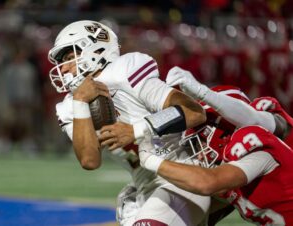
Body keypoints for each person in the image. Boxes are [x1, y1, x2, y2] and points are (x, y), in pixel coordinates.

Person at [48, 20, 210, 226]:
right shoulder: (70, 105)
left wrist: (136, 130)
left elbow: (194, 112)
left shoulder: (125, 71)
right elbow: (89, 160)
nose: (65, 68)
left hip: (182, 177)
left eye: (71, 57)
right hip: (146, 189)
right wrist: (81, 102)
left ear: (96, 50)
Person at [137, 104, 293, 225]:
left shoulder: (258, 153)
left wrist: (151, 160)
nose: (199, 154)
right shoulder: (233, 172)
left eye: (200, 144)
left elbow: (208, 182)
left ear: (221, 136)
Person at [166, 66, 293, 149]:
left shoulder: (263, 115)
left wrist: (203, 93)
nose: (198, 157)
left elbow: (257, 120)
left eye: (202, 144)